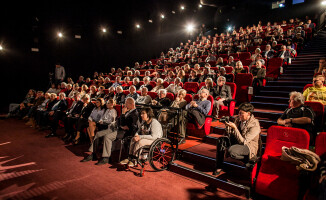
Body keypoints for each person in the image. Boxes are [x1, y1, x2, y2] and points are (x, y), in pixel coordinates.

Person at [214, 103, 261, 175]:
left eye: (241, 113)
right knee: (221, 140)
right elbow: (231, 134)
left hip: (248, 146)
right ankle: (219, 166)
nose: (239, 115)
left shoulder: (255, 125)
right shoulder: (238, 119)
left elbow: (243, 142)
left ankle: (247, 161)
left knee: (232, 151)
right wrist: (228, 126)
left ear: (248, 113)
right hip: (238, 141)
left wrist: (235, 128)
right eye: (239, 113)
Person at [81, 99, 118, 165]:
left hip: (109, 126)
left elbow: (112, 121)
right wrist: (101, 120)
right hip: (103, 124)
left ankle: (105, 157)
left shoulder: (113, 111)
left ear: (112, 104)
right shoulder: (107, 110)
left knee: (95, 127)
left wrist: (103, 121)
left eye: (108, 103)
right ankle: (93, 154)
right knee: (97, 133)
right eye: (107, 103)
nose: (106, 104)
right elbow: (103, 117)